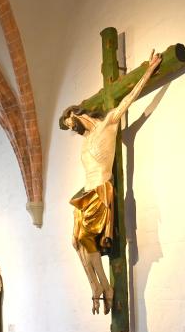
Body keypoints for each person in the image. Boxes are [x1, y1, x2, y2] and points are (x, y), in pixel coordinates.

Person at [60, 50, 162, 315]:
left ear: (79, 114)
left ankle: (104, 286)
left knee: (86, 238)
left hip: (101, 190)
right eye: (70, 127)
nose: (73, 129)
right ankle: (96, 286)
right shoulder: (86, 140)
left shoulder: (108, 123)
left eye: (72, 123)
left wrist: (148, 71)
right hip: (86, 193)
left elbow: (129, 99)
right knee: (76, 242)